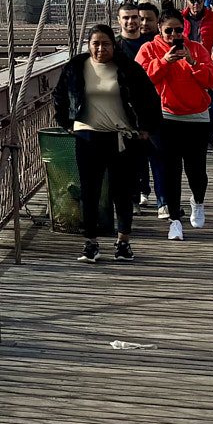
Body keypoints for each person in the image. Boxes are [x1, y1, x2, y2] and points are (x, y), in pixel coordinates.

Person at [55, 23, 160, 263]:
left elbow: (150, 98)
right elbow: (60, 95)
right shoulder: (76, 67)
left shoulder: (128, 68)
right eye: (95, 44)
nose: (100, 48)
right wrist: (68, 124)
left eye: (105, 44)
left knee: (122, 192)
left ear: (114, 45)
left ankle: (123, 242)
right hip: (87, 136)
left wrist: (146, 128)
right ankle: (90, 244)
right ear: (89, 45)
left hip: (120, 137)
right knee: (90, 192)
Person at [138, 10, 213, 239]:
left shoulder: (197, 49)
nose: (174, 35)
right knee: (170, 172)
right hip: (165, 118)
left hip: (197, 118)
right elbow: (141, 81)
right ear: (160, 31)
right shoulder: (149, 50)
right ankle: (175, 220)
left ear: (186, 29)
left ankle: (198, 201)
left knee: (196, 172)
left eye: (178, 30)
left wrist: (193, 63)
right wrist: (163, 62)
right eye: (168, 31)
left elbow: (211, 79)